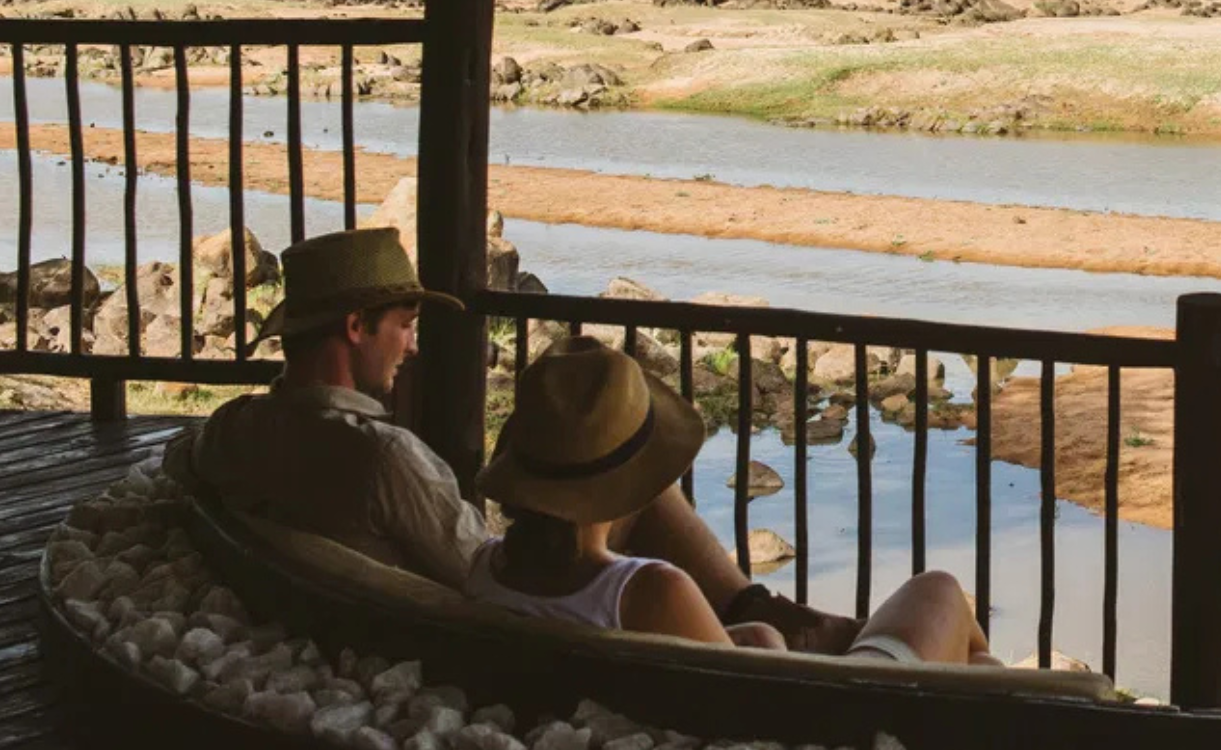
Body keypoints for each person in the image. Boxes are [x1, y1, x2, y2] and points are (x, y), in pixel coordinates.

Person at [175, 227, 858, 651]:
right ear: (357, 327)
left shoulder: (235, 428)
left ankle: (764, 613)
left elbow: (184, 458)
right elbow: (481, 573)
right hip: (491, 633)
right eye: (405, 325)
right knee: (636, 481)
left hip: (359, 610)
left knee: (606, 481)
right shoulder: (383, 458)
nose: (412, 347)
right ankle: (768, 617)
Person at [469, 334, 997, 667]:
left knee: (968, 653)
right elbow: (757, 703)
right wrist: (768, 642)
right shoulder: (650, 591)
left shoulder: (485, 572)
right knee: (941, 594)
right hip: (844, 730)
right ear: (628, 487)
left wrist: (758, 635)